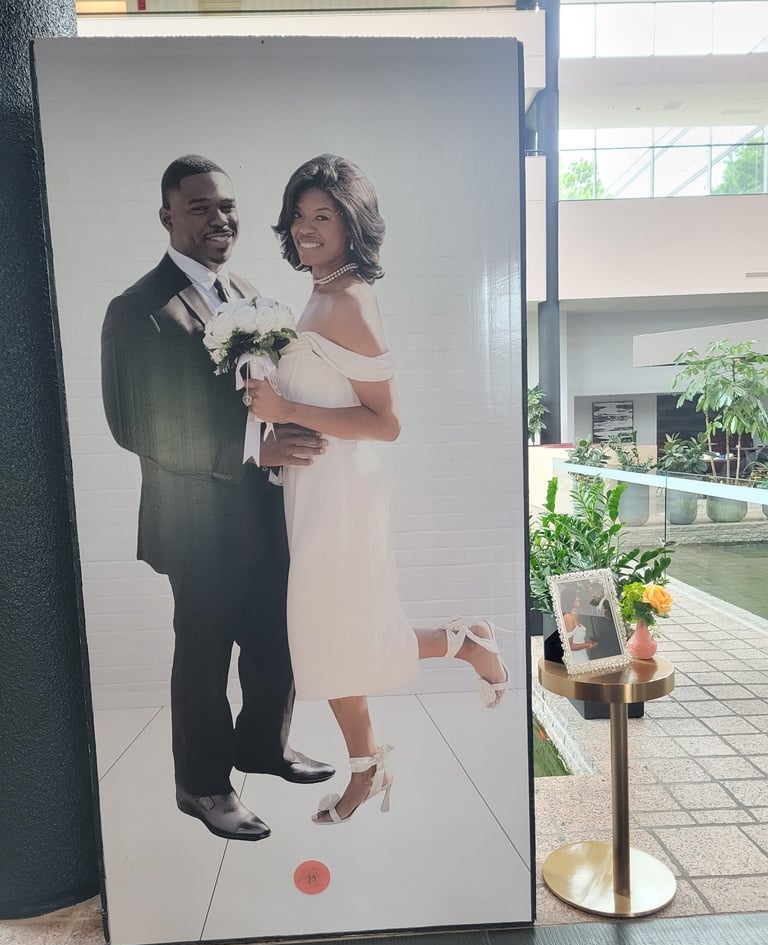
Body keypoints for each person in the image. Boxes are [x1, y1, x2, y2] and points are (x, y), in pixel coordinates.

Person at [246, 154, 509, 826]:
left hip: (343, 495)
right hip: (311, 489)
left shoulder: (351, 301)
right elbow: (322, 394)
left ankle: (461, 646)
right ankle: (375, 756)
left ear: (351, 223)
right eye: (299, 215)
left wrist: (287, 409)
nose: (306, 227)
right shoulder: (320, 292)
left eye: (323, 216)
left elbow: (385, 422)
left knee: (339, 634)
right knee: (332, 636)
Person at [101, 155, 334, 842]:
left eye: (226, 205)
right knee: (203, 659)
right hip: (195, 523)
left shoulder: (248, 293)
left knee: (274, 641)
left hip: (264, 510)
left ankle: (262, 747)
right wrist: (252, 449)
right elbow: (134, 425)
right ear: (167, 216)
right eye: (199, 206)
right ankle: (202, 785)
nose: (218, 218)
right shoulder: (137, 310)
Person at [560, 585, 598, 664]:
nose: (578, 598)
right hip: (576, 659)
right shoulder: (568, 617)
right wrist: (587, 644)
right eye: (575, 597)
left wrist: (589, 643)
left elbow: (577, 639)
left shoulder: (574, 615)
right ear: (569, 600)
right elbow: (569, 646)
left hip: (583, 656)